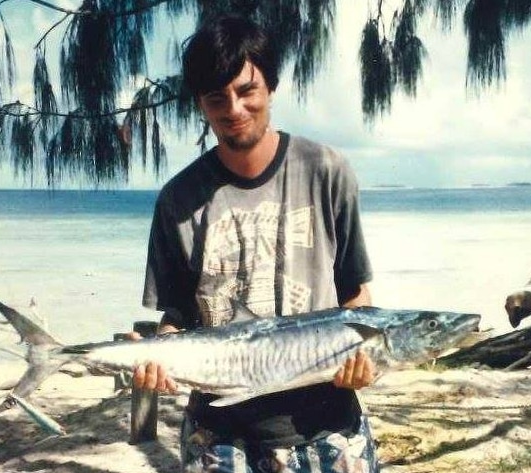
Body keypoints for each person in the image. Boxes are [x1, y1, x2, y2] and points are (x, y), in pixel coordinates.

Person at [135, 14, 379, 473]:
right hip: (219, 432)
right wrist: (155, 359)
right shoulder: (178, 199)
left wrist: (363, 359)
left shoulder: (327, 171)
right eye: (216, 97)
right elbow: (178, 315)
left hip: (326, 425)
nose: (234, 109)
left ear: (270, 87)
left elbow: (355, 293)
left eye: (247, 91)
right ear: (201, 104)